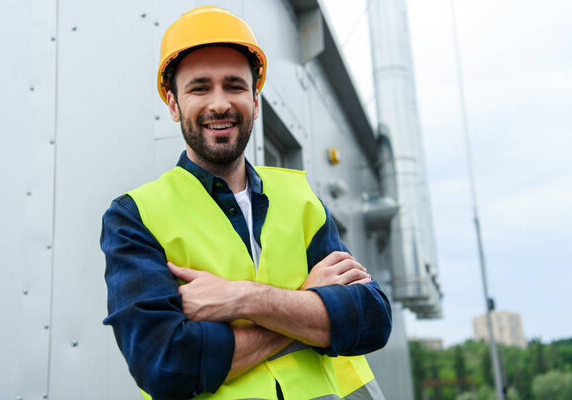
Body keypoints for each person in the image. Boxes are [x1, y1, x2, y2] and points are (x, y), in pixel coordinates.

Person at [101, 6, 392, 400]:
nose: (219, 103)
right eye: (200, 87)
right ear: (173, 104)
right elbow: (165, 364)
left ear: (255, 100)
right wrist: (307, 307)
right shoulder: (134, 216)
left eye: (235, 86)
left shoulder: (301, 200)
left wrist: (242, 298)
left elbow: (371, 319)